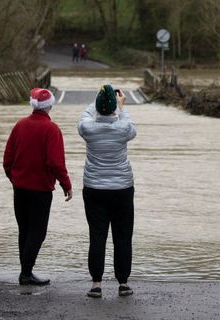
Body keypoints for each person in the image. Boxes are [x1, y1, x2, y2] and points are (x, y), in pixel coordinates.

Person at [3, 88, 73, 286]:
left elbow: (7, 159)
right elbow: (55, 163)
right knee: (38, 232)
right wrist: (66, 184)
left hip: (20, 188)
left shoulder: (20, 125)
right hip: (41, 190)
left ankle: (25, 271)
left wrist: (14, 178)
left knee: (24, 230)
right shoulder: (52, 130)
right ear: (49, 105)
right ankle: (26, 274)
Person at [78, 84, 137, 298]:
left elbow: (86, 113)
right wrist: (121, 106)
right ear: (114, 107)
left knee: (97, 236)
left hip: (94, 188)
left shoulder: (87, 129)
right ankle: (123, 283)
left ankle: (96, 284)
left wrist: (99, 99)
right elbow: (129, 124)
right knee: (122, 237)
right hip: (122, 189)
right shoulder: (123, 128)